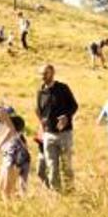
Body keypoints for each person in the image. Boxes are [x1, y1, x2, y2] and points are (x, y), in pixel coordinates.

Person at [36, 64, 78, 193]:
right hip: (48, 135)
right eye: (41, 74)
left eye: (46, 73)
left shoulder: (62, 88)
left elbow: (74, 106)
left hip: (64, 133)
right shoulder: (40, 92)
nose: (43, 76)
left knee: (66, 166)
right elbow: (39, 110)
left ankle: (70, 191)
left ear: (52, 73)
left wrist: (66, 116)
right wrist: (42, 123)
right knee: (52, 167)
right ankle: (57, 194)